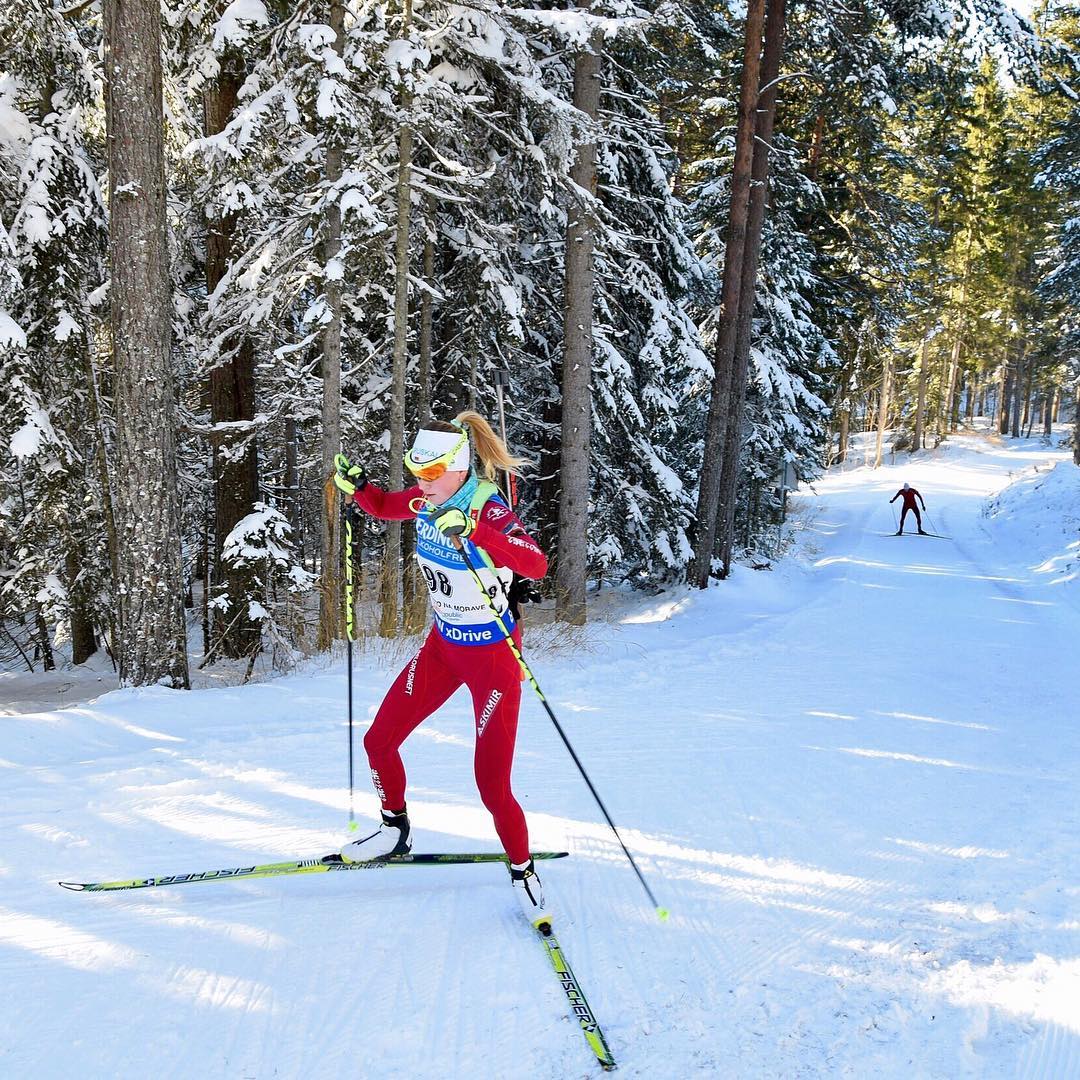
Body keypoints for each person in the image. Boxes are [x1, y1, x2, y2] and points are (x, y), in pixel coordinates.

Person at [332, 411, 550, 925]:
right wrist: (360, 487)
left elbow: (535, 563)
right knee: (377, 741)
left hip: (494, 659)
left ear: (458, 470)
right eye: (415, 472)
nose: (420, 485)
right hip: (443, 648)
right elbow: (386, 506)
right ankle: (394, 830)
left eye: (430, 475)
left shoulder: (487, 509)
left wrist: (476, 530)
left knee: (491, 786)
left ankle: (523, 869)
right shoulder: (424, 499)